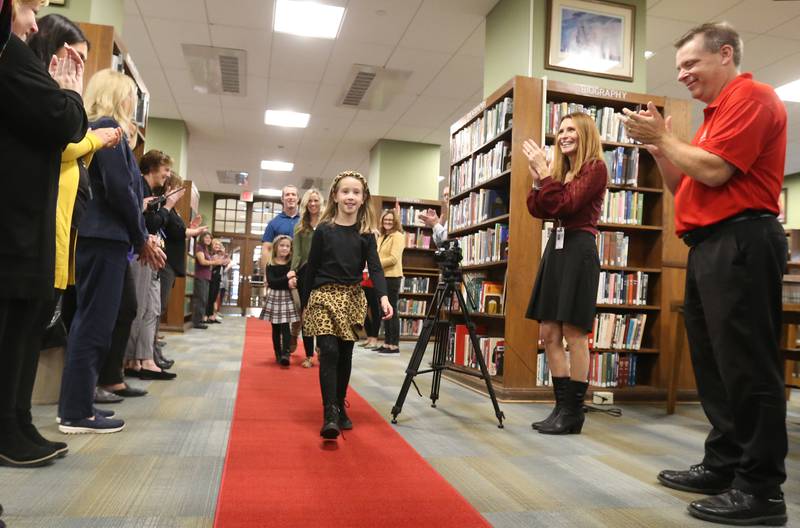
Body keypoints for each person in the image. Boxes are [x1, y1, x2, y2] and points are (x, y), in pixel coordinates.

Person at [623, 22, 789, 526]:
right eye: (679, 68)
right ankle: (725, 465)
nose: (683, 76)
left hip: (742, 240)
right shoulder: (712, 116)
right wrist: (661, 147)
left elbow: (716, 172)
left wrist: (666, 138)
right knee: (715, 365)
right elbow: (686, 186)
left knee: (746, 365)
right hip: (709, 245)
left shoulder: (753, 98)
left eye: (691, 65)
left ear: (725, 54)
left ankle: (761, 491)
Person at [0, 0, 87, 465]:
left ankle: (17, 422)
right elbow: (66, 124)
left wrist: (65, 99)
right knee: (16, 327)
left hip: (30, 218)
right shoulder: (9, 53)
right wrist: (70, 95)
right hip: (16, 220)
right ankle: (9, 428)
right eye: (30, 9)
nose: (33, 21)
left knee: (27, 326)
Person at [57, 69, 165, 435]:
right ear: (121, 97)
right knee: (93, 324)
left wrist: (138, 237)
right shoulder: (110, 130)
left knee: (96, 323)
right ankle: (75, 411)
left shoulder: (110, 133)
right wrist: (141, 239)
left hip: (105, 239)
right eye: (132, 97)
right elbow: (122, 192)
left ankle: (79, 405)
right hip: (104, 239)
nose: (135, 105)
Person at [523, 112, 607, 436]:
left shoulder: (595, 168)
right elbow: (540, 209)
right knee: (548, 333)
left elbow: (567, 205)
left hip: (579, 249)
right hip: (557, 251)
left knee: (574, 333)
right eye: (560, 130)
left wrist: (546, 175)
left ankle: (573, 412)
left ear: (585, 133)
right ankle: (559, 407)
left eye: (571, 129)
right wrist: (538, 178)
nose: (563, 135)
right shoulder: (563, 171)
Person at [302, 171, 393, 440]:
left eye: (356, 192)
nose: (350, 197)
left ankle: (340, 404)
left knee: (345, 354)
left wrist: (383, 297)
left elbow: (375, 269)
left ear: (363, 198)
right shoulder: (323, 231)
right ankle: (329, 412)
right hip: (323, 296)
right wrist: (306, 303)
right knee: (328, 350)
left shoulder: (366, 235)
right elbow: (312, 268)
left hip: (351, 298)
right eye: (345, 191)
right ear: (335, 196)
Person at [123, 149, 182, 380]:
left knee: (152, 309)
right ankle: (134, 359)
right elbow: (151, 223)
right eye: (165, 169)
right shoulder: (140, 186)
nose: (167, 174)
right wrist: (166, 206)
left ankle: (144, 358)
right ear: (153, 167)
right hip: (140, 253)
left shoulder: (149, 192)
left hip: (154, 253)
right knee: (139, 309)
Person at [156, 170, 206, 366]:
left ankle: (154, 345)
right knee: (157, 306)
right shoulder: (164, 206)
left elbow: (178, 231)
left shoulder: (174, 210)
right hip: (165, 262)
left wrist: (191, 227)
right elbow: (174, 232)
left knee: (161, 305)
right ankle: (152, 348)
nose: (181, 193)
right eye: (178, 188)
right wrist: (193, 230)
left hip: (172, 262)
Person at [289, 188, 323, 367]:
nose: (313, 204)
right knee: (307, 314)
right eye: (310, 201)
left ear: (321, 202)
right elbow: (298, 252)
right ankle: (309, 354)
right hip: (305, 273)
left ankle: (321, 348)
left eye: (316, 200)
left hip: (324, 273)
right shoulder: (300, 225)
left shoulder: (328, 223)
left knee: (323, 313)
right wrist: (293, 271)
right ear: (305, 204)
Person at [263, 235, 300, 366]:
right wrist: (287, 277)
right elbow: (272, 283)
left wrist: (292, 279)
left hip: (287, 297)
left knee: (286, 326)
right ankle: (277, 353)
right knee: (276, 328)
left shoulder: (291, 265)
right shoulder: (270, 264)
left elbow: (292, 282)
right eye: (282, 245)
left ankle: (286, 354)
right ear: (276, 247)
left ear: (291, 249)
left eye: (287, 246)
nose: (284, 248)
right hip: (274, 297)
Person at [376, 210, 405, 354]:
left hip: (392, 277)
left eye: (390, 220)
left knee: (391, 309)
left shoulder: (398, 236)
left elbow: (393, 258)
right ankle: (387, 343)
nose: (387, 222)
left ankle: (394, 345)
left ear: (395, 222)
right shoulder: (381, 236)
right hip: (381, 277)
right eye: (385, 220)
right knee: (384, 310)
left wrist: (375, 264)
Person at [192, 232, 225, 329]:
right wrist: (215, 262)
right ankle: (197, 321)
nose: (208, 239)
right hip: (200, 276)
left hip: (207, 277)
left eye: (210, 238)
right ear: (202, 238)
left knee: (204, 299)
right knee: (201, 298)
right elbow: (202, 261)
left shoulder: (206, 249)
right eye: (206, 237)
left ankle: (201, 319)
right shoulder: (199, 247)